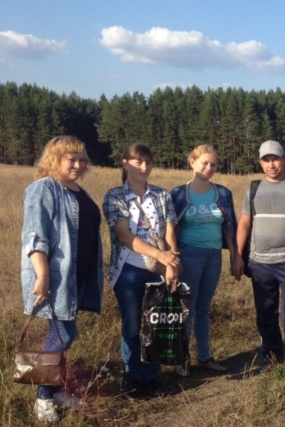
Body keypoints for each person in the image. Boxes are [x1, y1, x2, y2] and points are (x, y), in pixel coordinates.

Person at [20, 136, 104, 423]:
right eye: (72, 159)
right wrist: (42, 274)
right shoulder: (44, 188)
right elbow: (34, 235)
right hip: (56, 277)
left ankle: (54, 390)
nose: (79, 164)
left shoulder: (78, 190)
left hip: (79, 275)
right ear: (54, 159)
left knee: (59, 334)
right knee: (64, 334)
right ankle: (43, 398)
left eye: (82, 159)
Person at [103, 143, 180, 400]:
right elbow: (124, 236)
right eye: (138, 162)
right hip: (129, 271)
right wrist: (160, 255)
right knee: (133, 325)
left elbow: (169, 231)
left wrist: (172, 263)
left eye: (148, 162)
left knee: (156, 324)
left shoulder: (162, 195)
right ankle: (133, 376)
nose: (144, 167)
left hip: (158, 269)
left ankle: (151, 377)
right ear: (125, 163)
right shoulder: (114, 196)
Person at [232, 140, 285, 367]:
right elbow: (244, 224)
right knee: (266, 311)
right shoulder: (253, 189)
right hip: (260, 263)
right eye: (266, 160)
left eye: (275, 159)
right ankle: (271, 354)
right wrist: (237, 256)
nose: (271, 164)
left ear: (284, 159)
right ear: (260, 162)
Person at [170, 144, 238, 375]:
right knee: (186, 307)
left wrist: (235, 257)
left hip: (213, 256)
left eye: (213, 164)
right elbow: (170, 229)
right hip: (189, 255)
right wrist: (172, 260)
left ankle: (205, 356)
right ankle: (183, 360)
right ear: (192, 163)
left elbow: (229, 228)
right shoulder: (179, 194)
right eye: (204, 163)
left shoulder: (223, 193)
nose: (209, 168)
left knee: (203, 307)